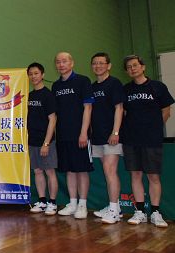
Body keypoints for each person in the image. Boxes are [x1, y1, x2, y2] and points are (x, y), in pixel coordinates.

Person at [121, 55, 174, 228]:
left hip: (151, 139)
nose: (132, 69)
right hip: (131, 139)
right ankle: (140, 212)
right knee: (135, 174)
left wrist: (154, 129)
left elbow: (166, 111)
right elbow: (123, 113)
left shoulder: (157, 87)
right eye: (129, 67)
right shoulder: (126, 89)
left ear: (143, 67)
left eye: (135, 65)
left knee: (153, 176)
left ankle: (156, 212)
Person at [52, 52, 94, 219]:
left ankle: (83, 205)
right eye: (58, 62)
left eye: (64, 61)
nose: (61, 64)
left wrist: (83, 132)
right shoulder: (55, 86)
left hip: (80, 135)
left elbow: (88, 108)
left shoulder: (83, 81)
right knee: (69, 170)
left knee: (81, 170)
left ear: (72, 63)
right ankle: (73, 202)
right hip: (63, 135)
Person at [89, 52, 125, 224]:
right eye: (95, 63)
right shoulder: (92, 87)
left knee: (110, 171)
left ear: (108, 65)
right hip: (97, 136)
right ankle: (115, 207)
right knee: (106, 171)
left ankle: (113, 209)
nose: (98, 66)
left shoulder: (114, 83)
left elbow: (119, 109)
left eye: (101, 63)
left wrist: (115, 132)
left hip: (112, 136)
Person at [26, 63, 58, 216]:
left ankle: (52, 203)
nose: (33, 76)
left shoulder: (48, 95)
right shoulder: (29, 96)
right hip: (32, 141)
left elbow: (52, 119)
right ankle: (42, 200)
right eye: (31, 74)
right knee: (37, 171)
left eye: (36, 73)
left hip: (46, 141)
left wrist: (46, 142)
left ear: (42, 75)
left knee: (49, 171)